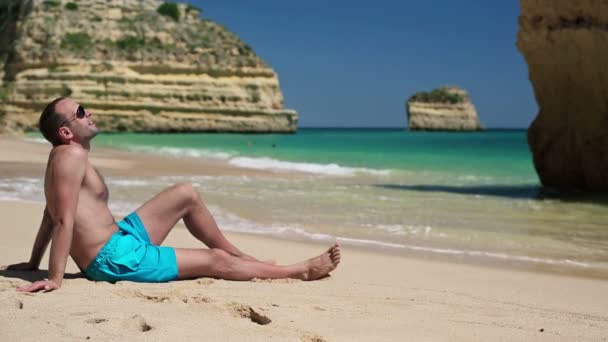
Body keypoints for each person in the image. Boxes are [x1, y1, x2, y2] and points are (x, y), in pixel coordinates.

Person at [1, 97, 340, 292]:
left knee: (185, 193)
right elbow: (62, 219)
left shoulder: (68, 157)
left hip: (121, 238)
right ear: (65, 132)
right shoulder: (70, 155)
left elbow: (50, 213)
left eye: (84, 107)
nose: (87, 113)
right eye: (79, 113)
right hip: (112, 260)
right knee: (214, 262)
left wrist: (33, 262)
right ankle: (300, 270)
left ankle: (247, 258)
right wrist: (55, 278)